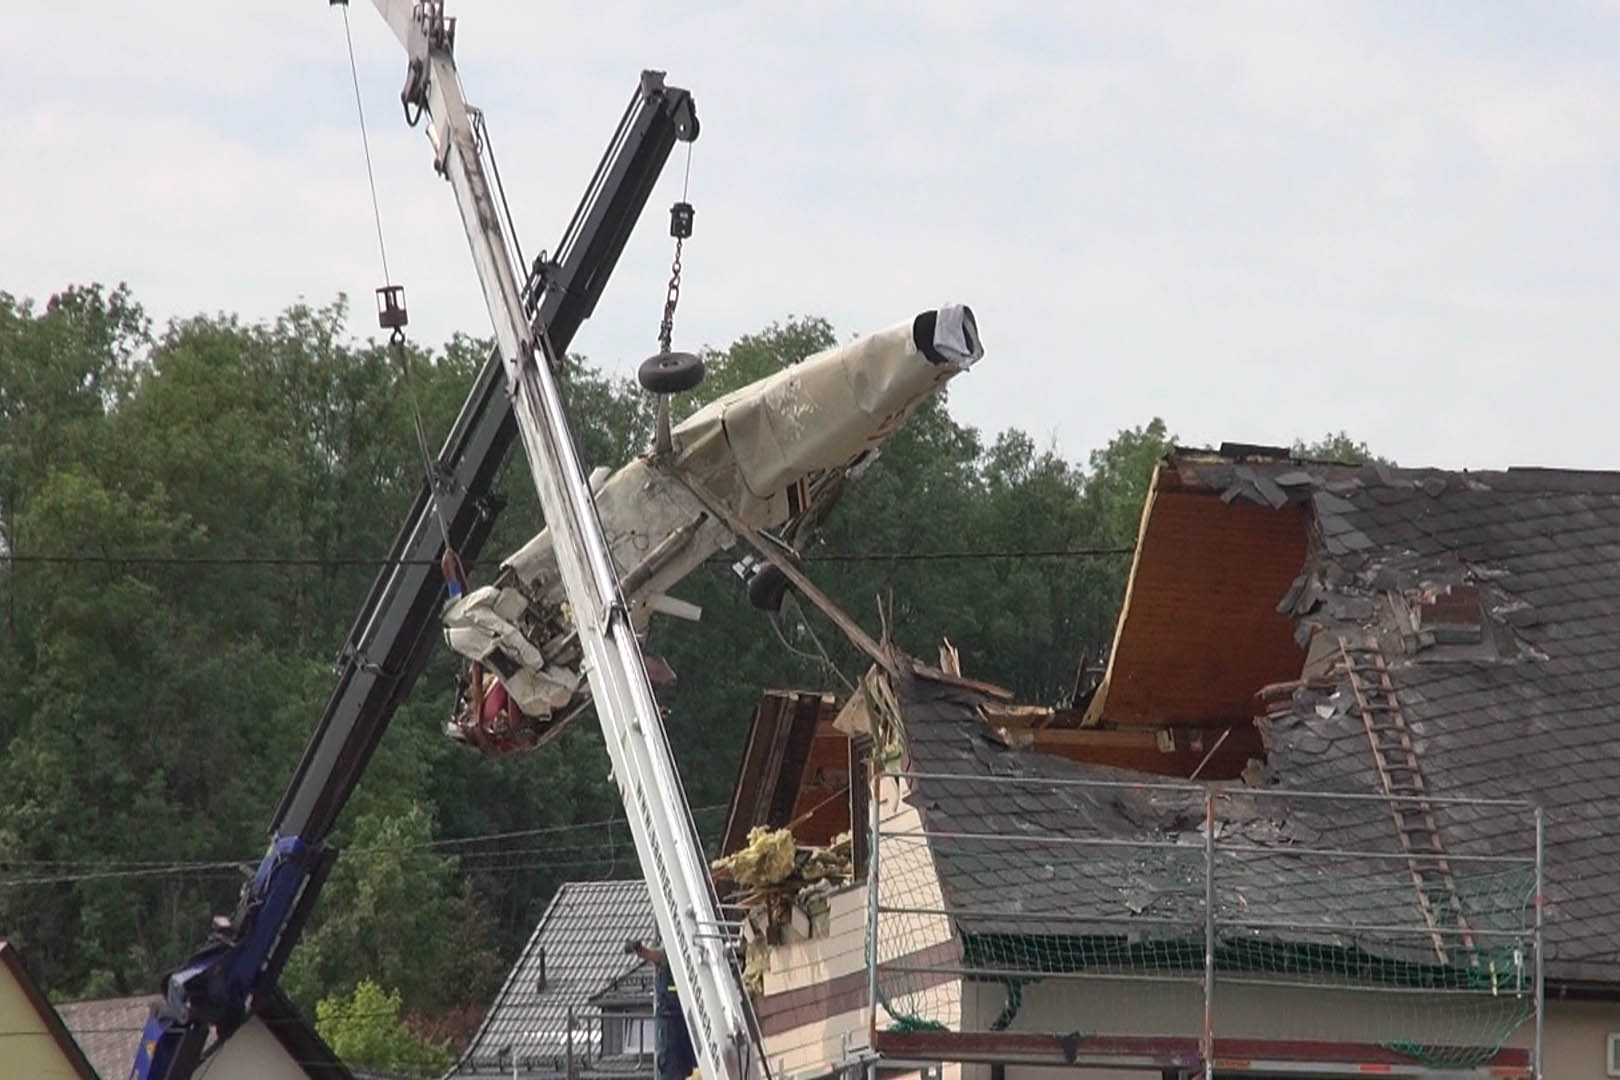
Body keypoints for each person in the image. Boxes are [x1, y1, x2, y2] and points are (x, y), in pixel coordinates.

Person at [625, 938, 698, 1080]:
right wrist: (641, 950)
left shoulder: (675, 953)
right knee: (677, 1066)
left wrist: (640, 950)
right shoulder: (674, 954)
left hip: (677, 1017)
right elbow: (657, 956)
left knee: (678, 1067)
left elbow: (656, 956)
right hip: (676, 1017)